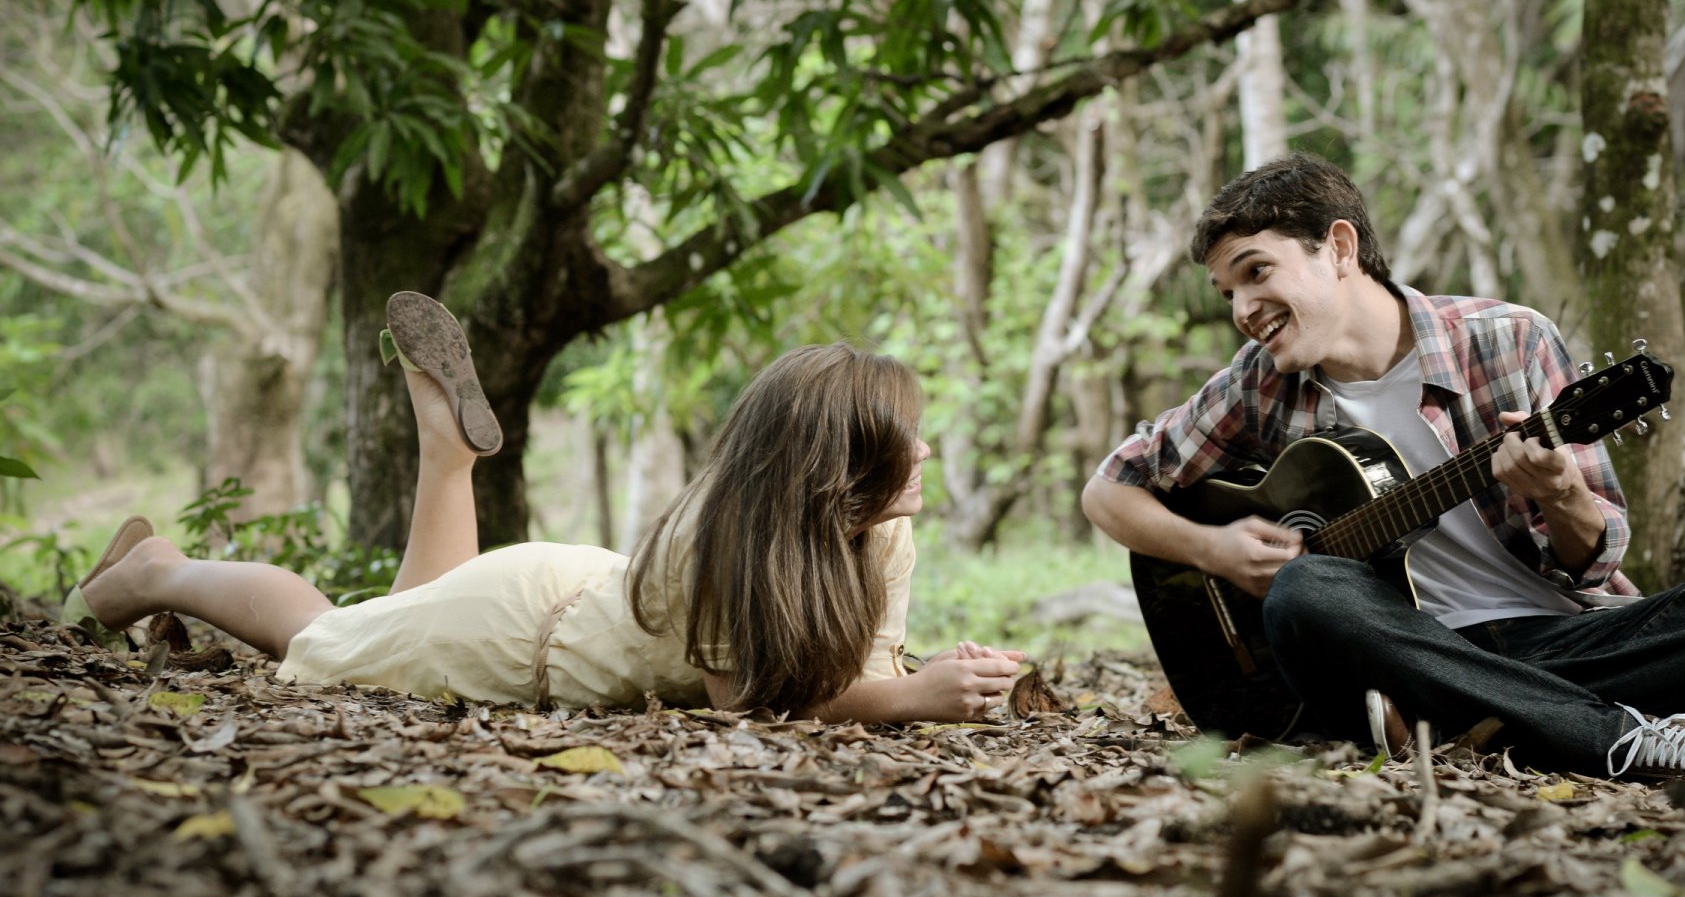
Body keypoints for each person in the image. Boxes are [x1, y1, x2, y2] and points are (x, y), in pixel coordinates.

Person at [1082, 153, 1685, 782]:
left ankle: (1446, 724)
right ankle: (1617, 739)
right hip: (1384, 645)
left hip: (1543, 638)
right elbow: (1109, 490)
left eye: (1256, 272)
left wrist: (1562, 491)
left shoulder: (1509, 340)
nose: (1243, 308)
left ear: (1339, 247)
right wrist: (1212, 549)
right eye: (1229, 292)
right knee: (1307, 588)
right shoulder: (1259, 381)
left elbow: (1595, 562)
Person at [63, 293, 1025, 723]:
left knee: (398, 606)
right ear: (836, 466)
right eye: (908, 438)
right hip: (518, 633)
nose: (929, 450)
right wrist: (909, 699)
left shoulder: (880, 529)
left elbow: (867, 667)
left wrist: (935, 676)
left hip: (582, 588)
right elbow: (747, 702)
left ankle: (448, 458)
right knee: (326, 638)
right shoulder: (732, 533)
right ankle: (159, 576)